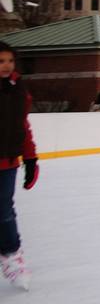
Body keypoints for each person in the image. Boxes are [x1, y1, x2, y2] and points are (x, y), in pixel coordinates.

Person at [0, 41, 39, 290]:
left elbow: (23, 126)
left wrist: (31, 158)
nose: (6, 65)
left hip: (8, 161)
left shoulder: (19, 91)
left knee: (4, 211)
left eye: (10, 61)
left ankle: (11, 254)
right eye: (1, 61)